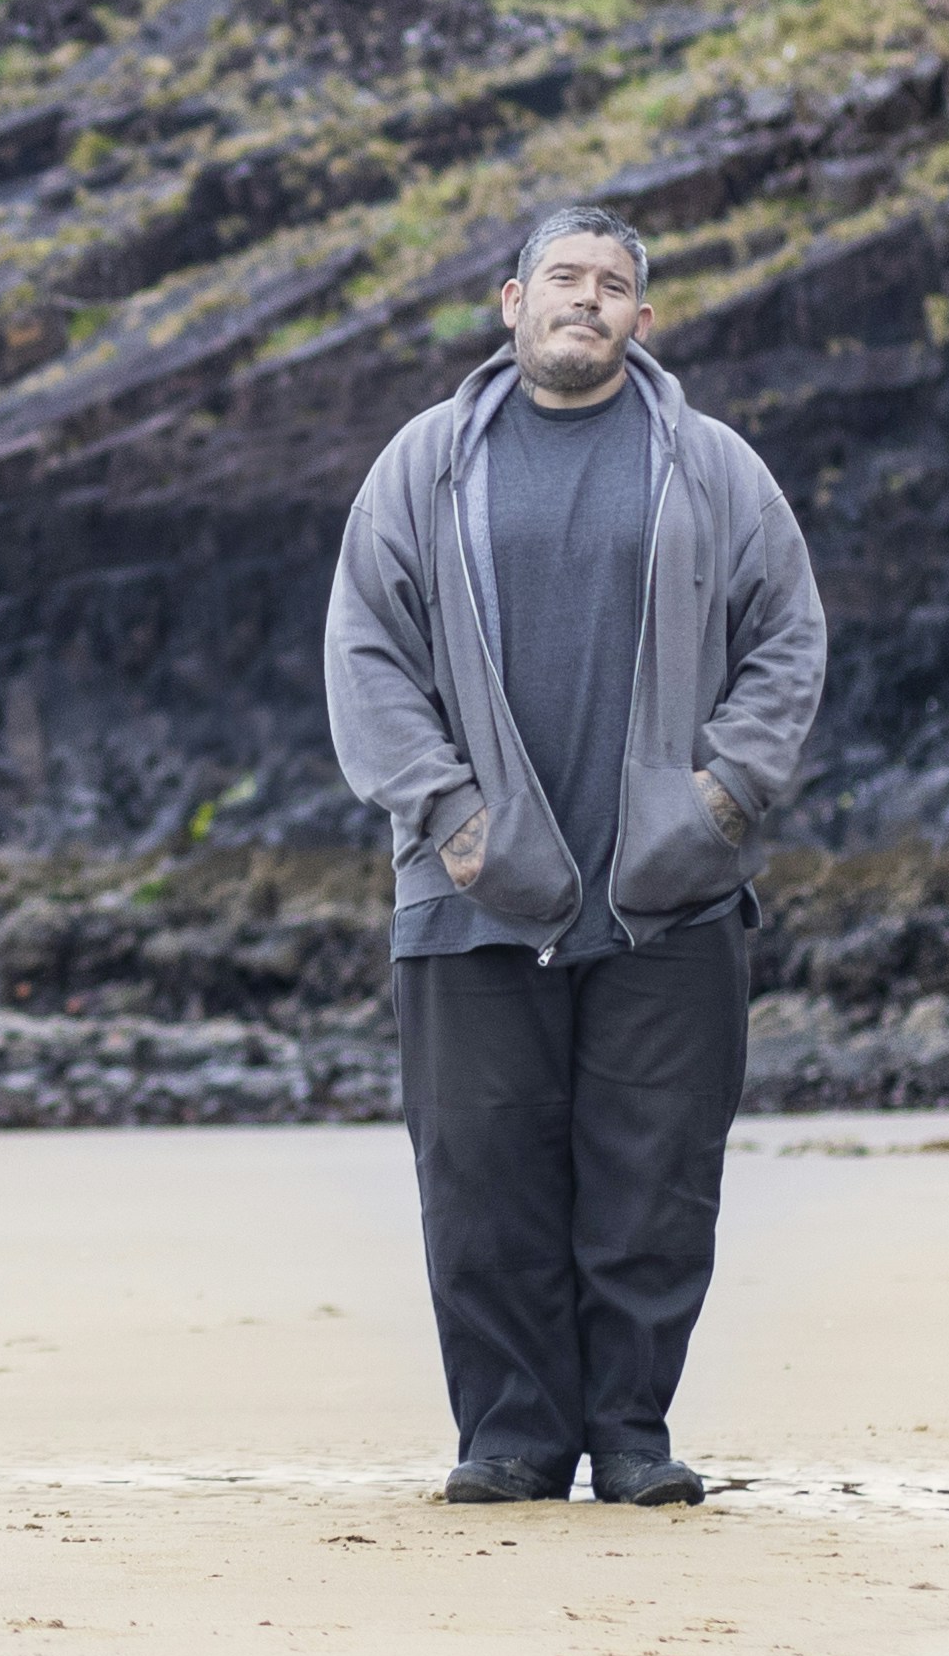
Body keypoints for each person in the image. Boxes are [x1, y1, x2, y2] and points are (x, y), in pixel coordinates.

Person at [317, 201, 826, 1507]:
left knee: (655, 1183)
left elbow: (787, 640)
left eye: (612, 284)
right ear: (511, 303)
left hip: (669, 897)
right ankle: (511, 1441)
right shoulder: (425, 466)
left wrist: (721, 800)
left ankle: (633, 1438)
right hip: (468, 893)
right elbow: (366, 652)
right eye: (564, 277)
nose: (586, 299)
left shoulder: (713, 468)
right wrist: (448, 816)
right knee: (482, 1182)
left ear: (642, 321)